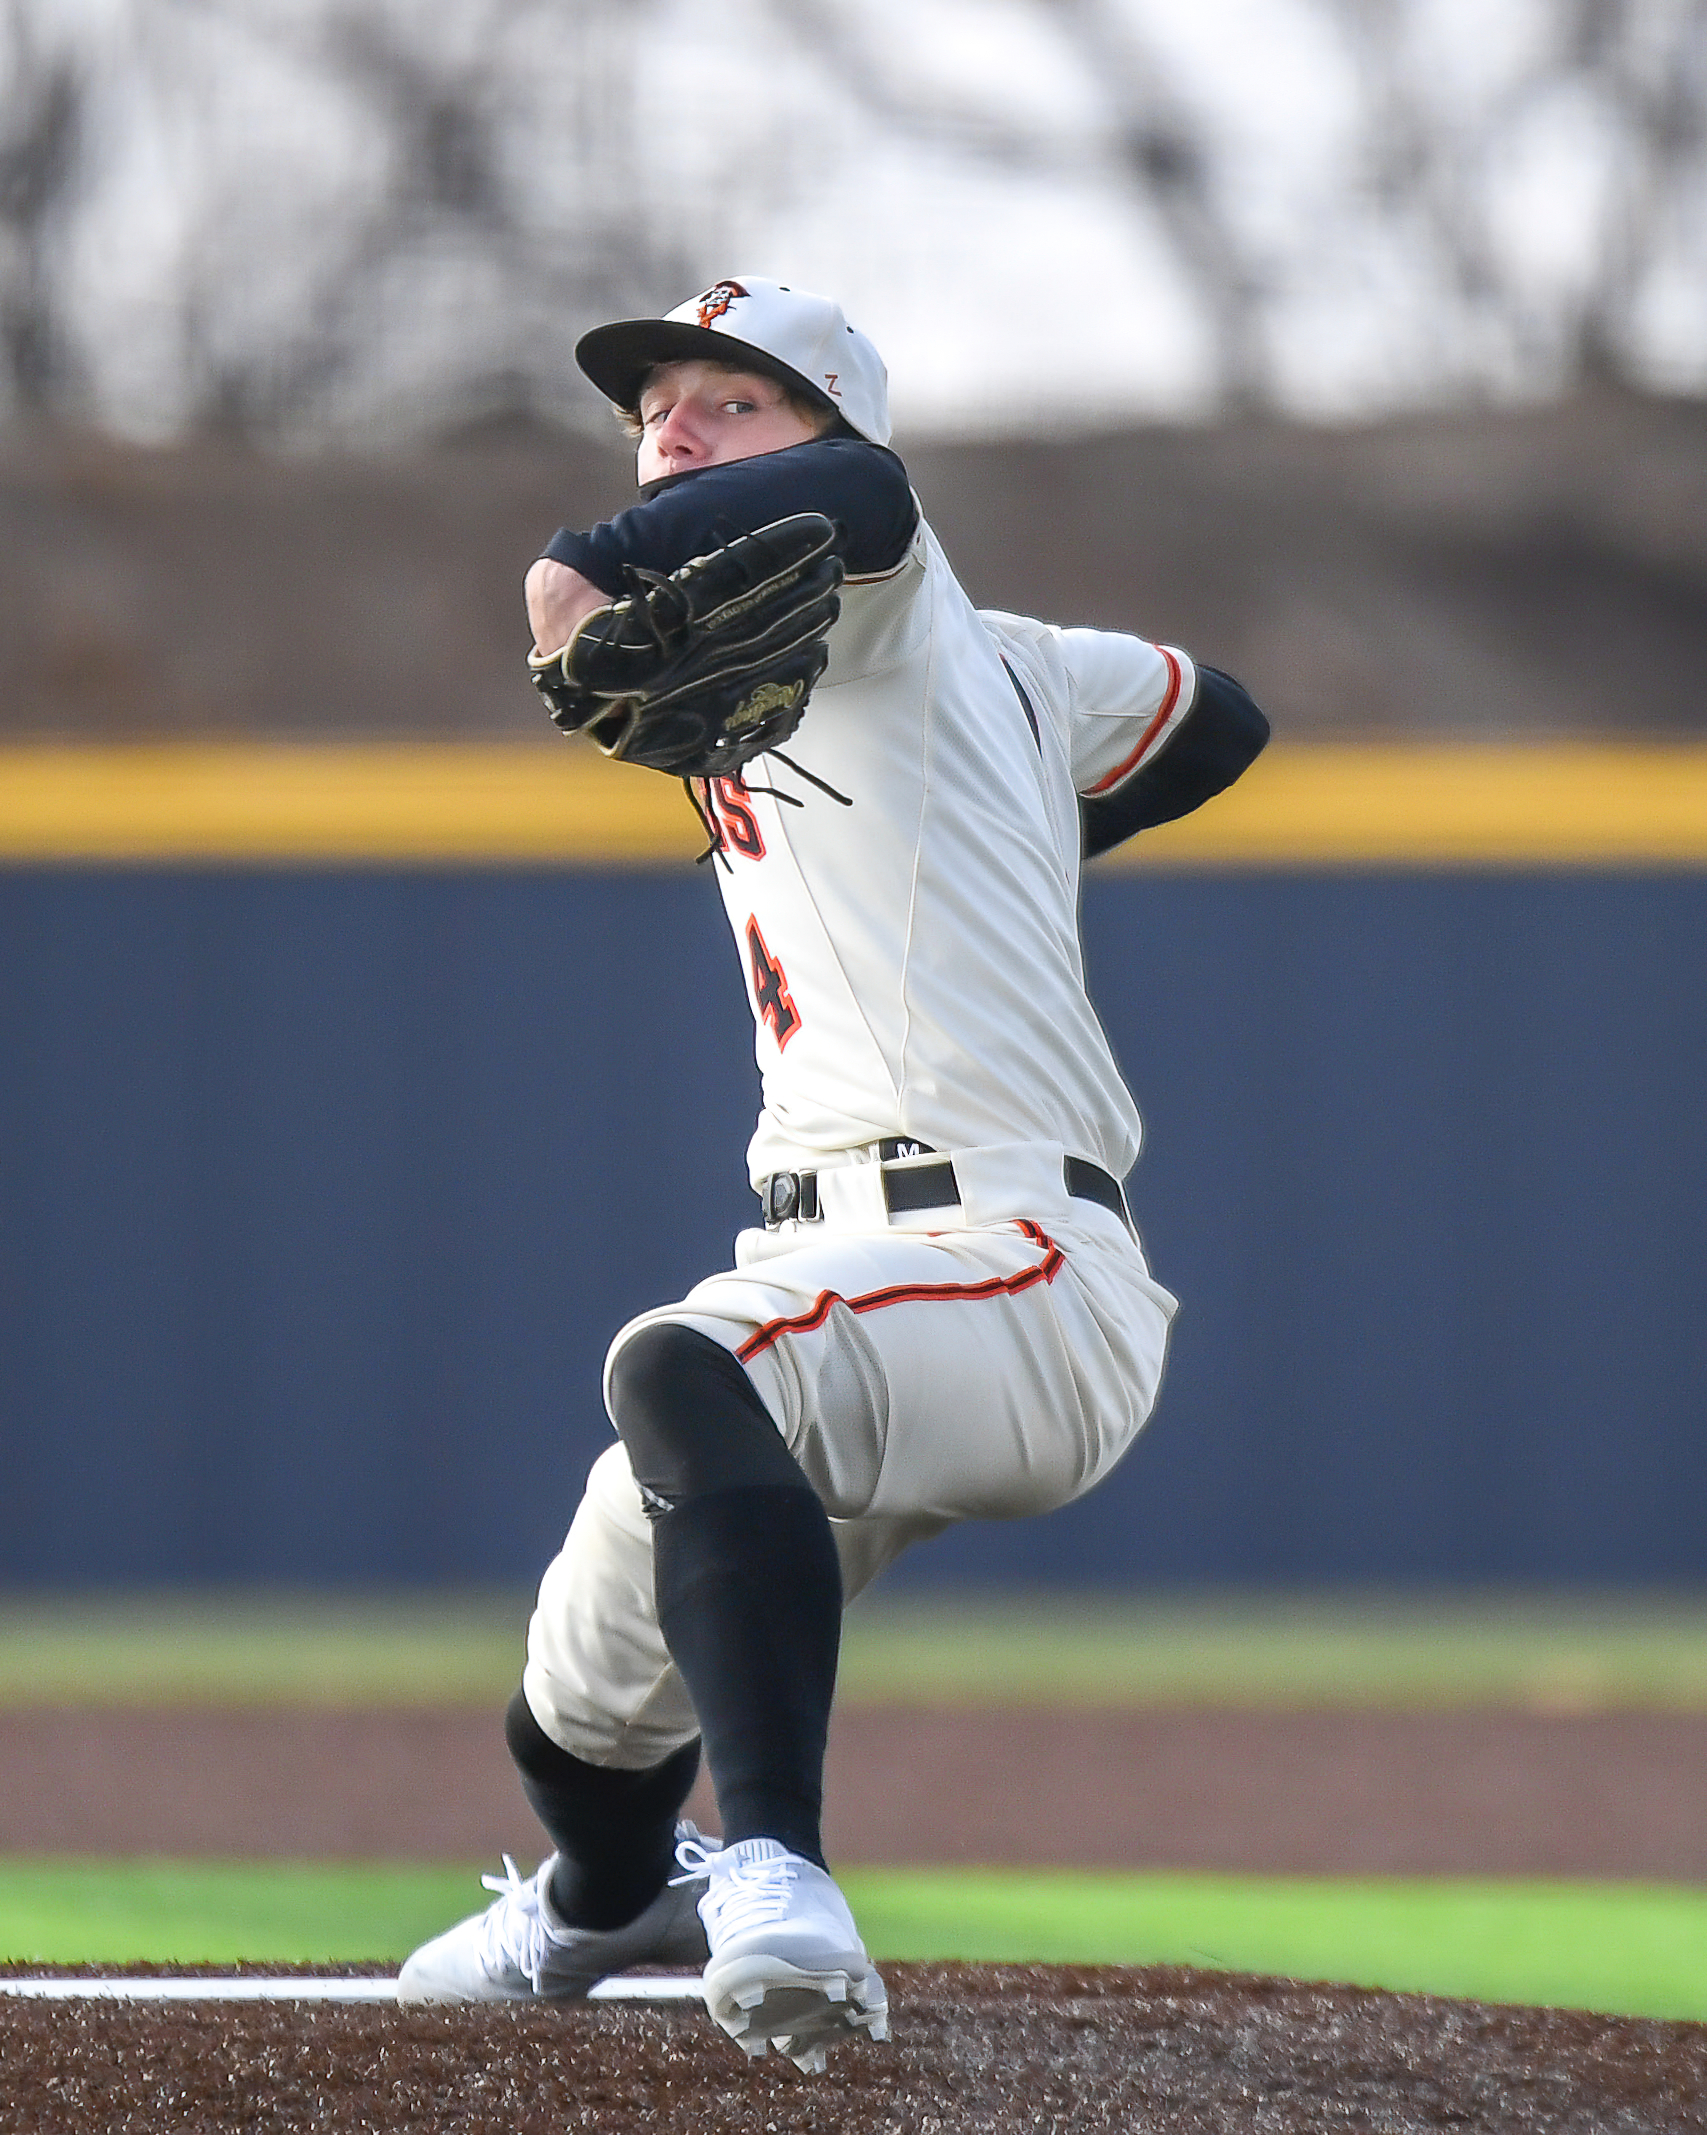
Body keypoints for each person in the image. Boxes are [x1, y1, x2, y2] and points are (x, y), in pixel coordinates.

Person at [397, 276, 1269, 2071]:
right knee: (577, 1712)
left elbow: (865, 507)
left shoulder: (887, 578)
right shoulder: (1014, 667)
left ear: (834, 438)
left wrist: (577, 566)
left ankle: (779, 1871)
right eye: (654, 410)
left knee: (679, 1365)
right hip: (835, 1270)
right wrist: (1008, 825)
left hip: (1022, 1265)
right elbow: (1221, 717)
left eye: (734, 400)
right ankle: (606, 1896)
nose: (675, 430)